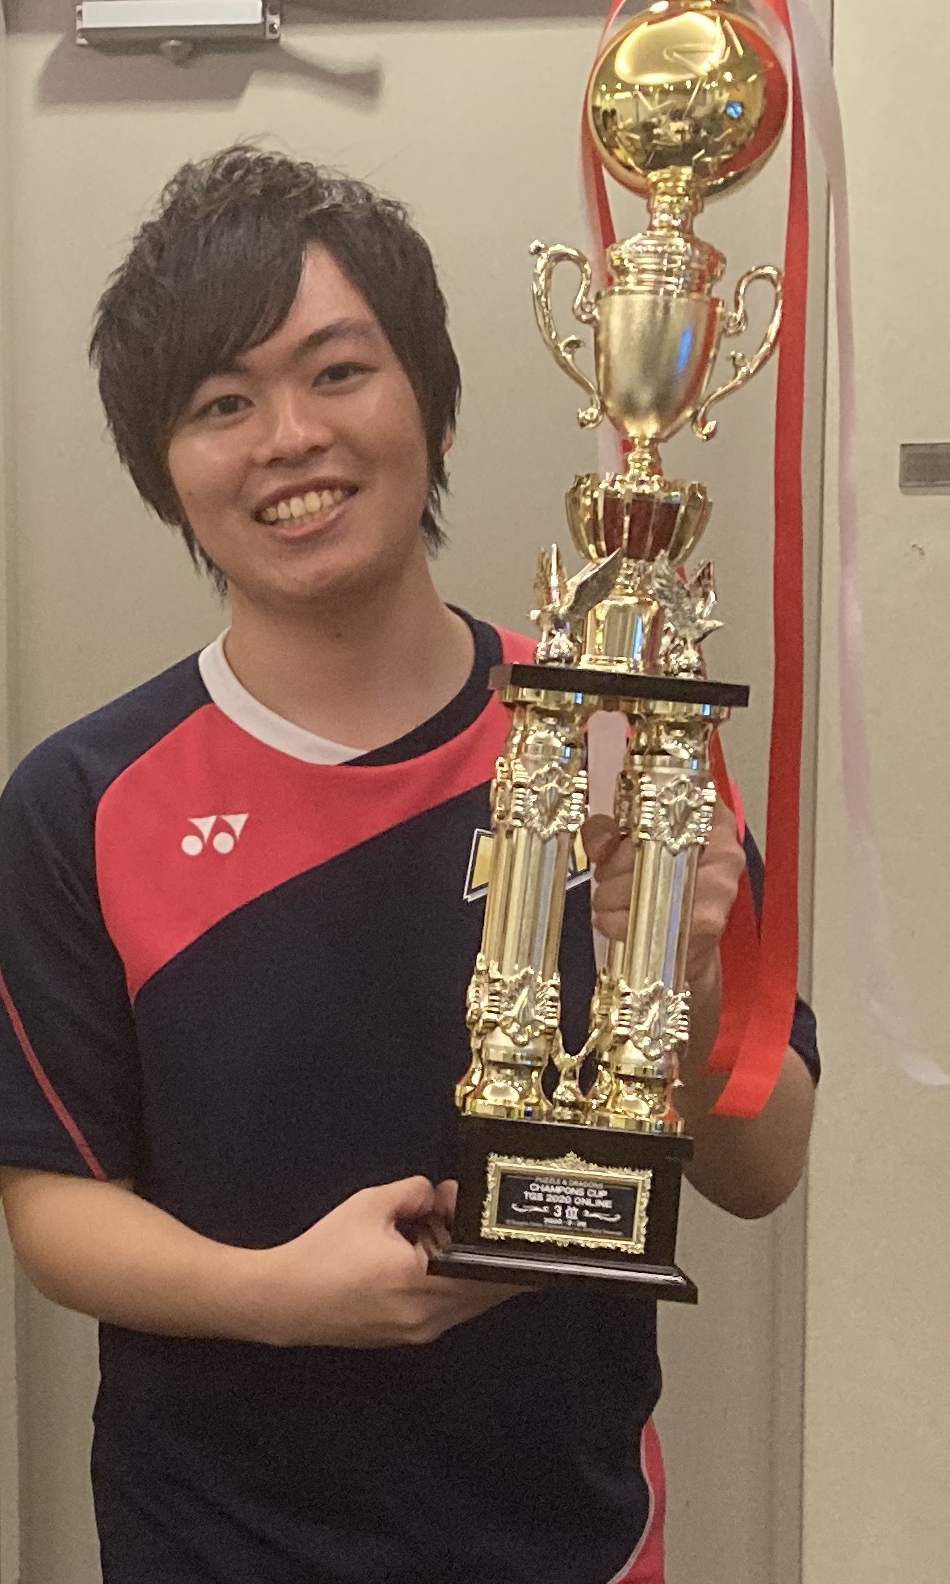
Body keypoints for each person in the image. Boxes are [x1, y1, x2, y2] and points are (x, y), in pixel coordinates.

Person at [0, 148, 819, 1584]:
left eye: (338, 371)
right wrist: (276, 1296)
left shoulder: (625, 737)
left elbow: (761, 1167)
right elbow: (52, 1203)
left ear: (431, 405)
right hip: (214, 1544)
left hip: (574, 1541)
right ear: (165, 469)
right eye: (222, 402)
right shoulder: (82, 801)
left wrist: (688, 974)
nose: (289, 438)